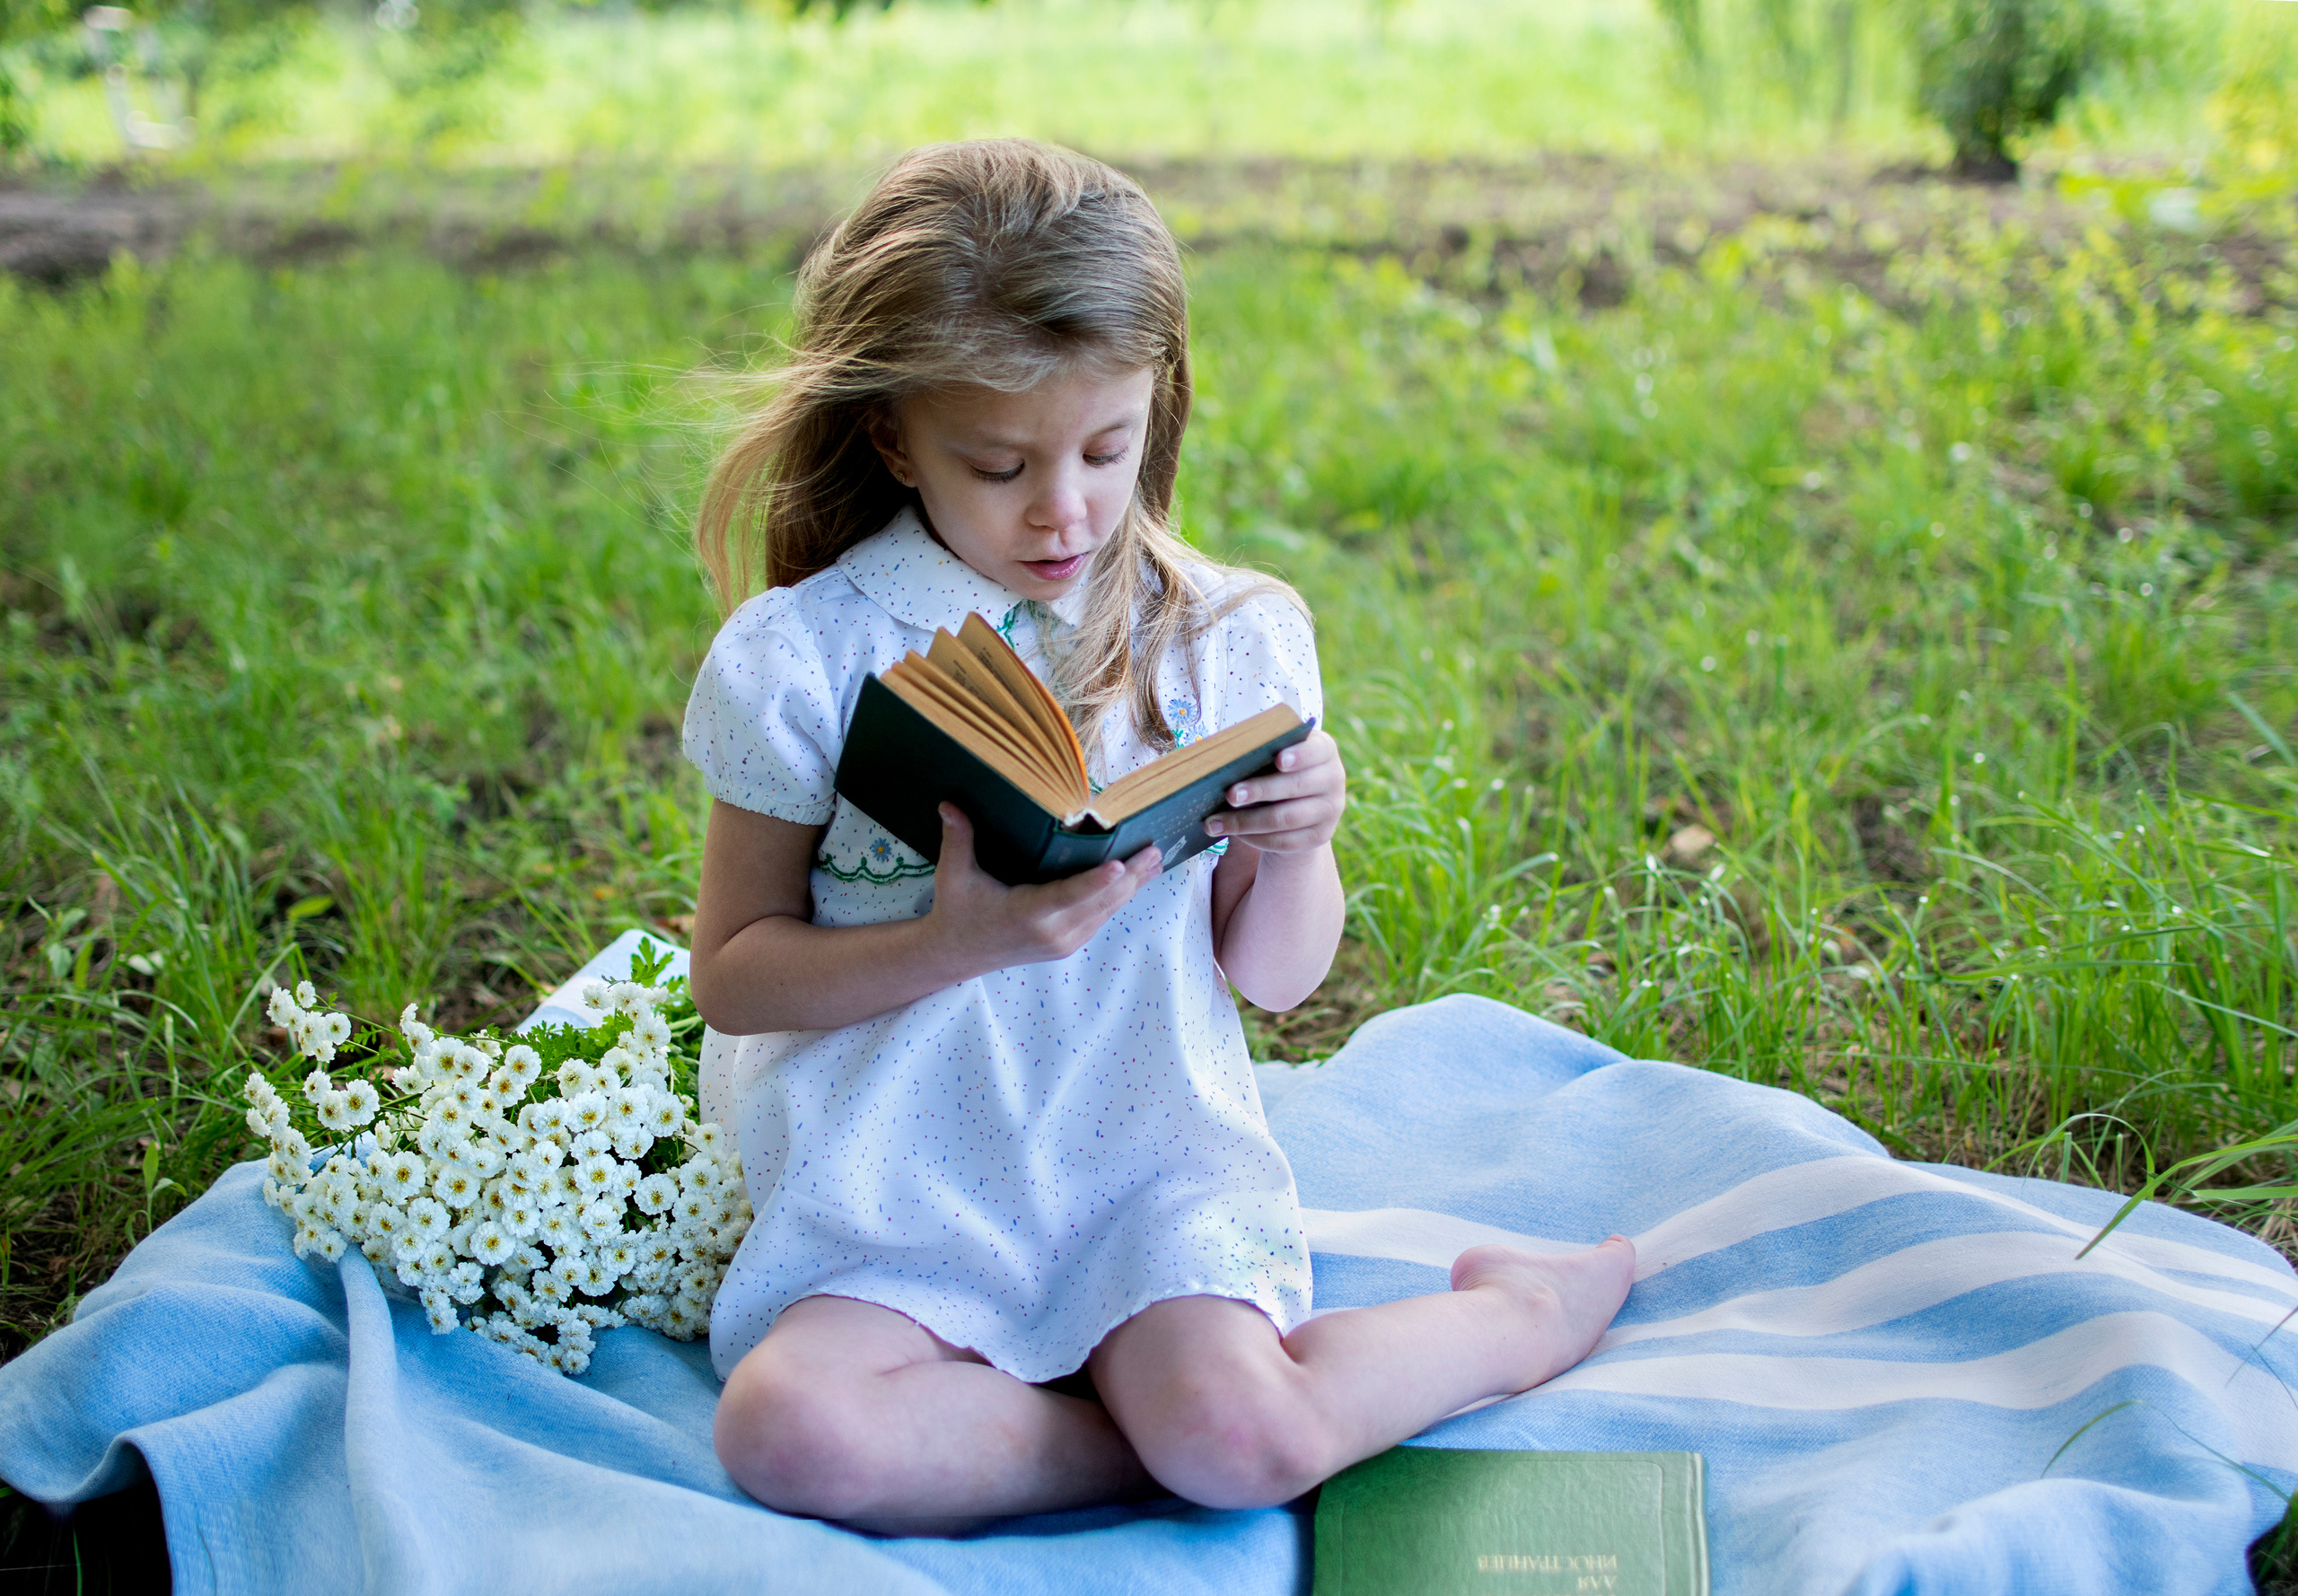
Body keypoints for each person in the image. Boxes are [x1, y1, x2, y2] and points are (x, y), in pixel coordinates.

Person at [682, 138, 1635, 1535]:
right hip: (899, 1185)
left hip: (1144, 1163)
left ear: (1158, 406)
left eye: (1105, 449)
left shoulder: (1228, 639)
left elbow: (1277, 978)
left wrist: (1304, 845)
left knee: (1249, 1435)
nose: (1061, 507)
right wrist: (950, 944)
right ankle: (1133, 1441)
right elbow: (734, 970)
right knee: (789, 1428)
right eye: (997, 462)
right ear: (894, 435)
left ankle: (1523, 1313)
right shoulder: (803, 657)